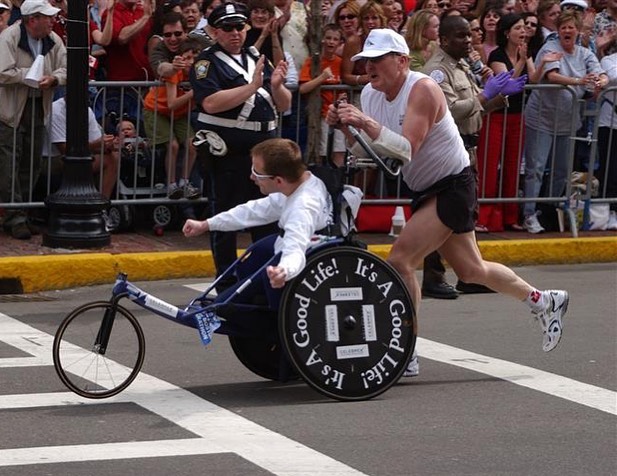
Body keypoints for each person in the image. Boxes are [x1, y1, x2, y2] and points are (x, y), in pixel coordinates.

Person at [326, 28, 571, 379]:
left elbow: (406, 149)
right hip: (425, 187)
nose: (369, 67)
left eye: (377, 60)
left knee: (400, 260)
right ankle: (544, 300)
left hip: (452, 184)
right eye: (365, 61)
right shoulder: (370, 92)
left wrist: (361, 121)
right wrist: (348, 129)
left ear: (400, 60)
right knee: (472, 270)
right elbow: (374, 153)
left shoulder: (422, 87)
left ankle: (405, 349)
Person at [189, 1, 291, 291]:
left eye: (240, 27)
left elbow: (284, 104)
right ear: (214, 31)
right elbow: (210, 102)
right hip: (231, 154)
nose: (235, 33)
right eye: (227, 28)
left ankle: (262, 276)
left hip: (266, 150)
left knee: (267, 216)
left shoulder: (256, 57)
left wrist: (278, 85)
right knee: (225, 218)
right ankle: (226, 281)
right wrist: (251, 86)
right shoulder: (206, 62)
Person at [182, 138, 332, 302]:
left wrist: (284, 270)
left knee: (226, 305)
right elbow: (252, 211)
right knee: (253, 257)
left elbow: (295, 247)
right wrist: (206, 224)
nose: (252, 176)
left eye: (257, 173)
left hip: (299, 258)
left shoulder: (302, 207)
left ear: (278, 181)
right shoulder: (299, 183)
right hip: (288, 246)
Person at [522, 10, 607, 233]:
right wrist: (580, 81)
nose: (567, 31)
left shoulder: (585, 53)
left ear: (578, 31)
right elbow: (553, 76)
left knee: (561, 170)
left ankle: (547, 211)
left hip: (568, 121)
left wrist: (600, 81)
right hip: (542, 118)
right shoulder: (550, 48)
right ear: (558, 30)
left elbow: (600, 73)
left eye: (571, 27)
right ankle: (529, 214)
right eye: (563, 27)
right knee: (536, 168)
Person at [0, 0, 66, 240]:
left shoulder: (53, 40)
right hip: (11, 109)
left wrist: (54, 79)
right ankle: (14, 217)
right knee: (10, 164)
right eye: (46, 17)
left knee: (31, 162)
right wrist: (29, 77)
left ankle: (23, 214)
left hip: (38, 106)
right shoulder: (10, 37)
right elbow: (2, 71)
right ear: (32, 20)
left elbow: (67, 67)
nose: (52, 20)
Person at [143, 37, 200, 199]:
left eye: (195, 57)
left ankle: (185, 182)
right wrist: (193, 92)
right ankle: (171, 184)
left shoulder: (201, 73)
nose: (191, 62)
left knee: (192, 144)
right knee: (173, 145)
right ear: (180, 59)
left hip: (180, 113)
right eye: (187, 58)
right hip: (157, 109)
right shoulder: (175, 72)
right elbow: (172, 103)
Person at [298, 23, 346, 166]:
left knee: (339, 151)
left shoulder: (340, 62)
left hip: (338, 114)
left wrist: (343, 96)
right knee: (322, 152)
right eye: (328, 38)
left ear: (339, 42)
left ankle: (338, 181)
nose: (331, 42)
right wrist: (322, 78)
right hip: (321, 114)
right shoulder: (312, 61)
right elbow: (303, 88)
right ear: (322, 40)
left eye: (335, 39)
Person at [597, 52, 617, 230]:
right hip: (610, 123)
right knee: (610, 169)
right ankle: (610, 211)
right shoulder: (609, 60)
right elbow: (613, 77)